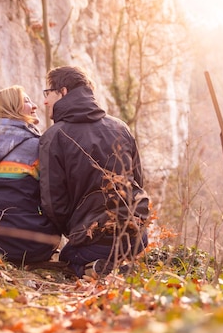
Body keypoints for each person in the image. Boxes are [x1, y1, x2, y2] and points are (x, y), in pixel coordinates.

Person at [39, 66, 150, 278]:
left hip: (92, 240)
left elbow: (53, 203)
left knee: (69, 259)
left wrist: (76, 232)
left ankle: (99, 266)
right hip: (135, 236)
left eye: (48, 93)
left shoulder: (54, 137)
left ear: (63, 92)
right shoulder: (120, 127)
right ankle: (119, 265)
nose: (45, 101)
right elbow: (138, 181)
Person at [0, 85, 61, 268]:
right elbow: (53, 197)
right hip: (32, 245)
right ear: (11, 108)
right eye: (26, 101)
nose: (34, 105)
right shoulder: (36, 146)